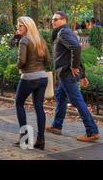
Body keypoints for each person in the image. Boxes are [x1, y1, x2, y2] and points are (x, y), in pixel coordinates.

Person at [46, 11, 100, 141]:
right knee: (60, 96)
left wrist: (75, 67)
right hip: (66, 73)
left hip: (66, 73)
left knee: (77, 101)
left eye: (56, 19)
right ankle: (57, 126)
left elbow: (76, 48)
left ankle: (92, 131)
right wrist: (83, 75)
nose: (53, 21)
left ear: (64, 20)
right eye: (52, 19)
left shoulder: (63, 32)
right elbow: (75, 52)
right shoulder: (65, 32)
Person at [14, 16, 50, 150]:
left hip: (29, 77)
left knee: (18, 103)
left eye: (20, 26)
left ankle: (25, 138)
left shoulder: (24, 40)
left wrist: (18, 66)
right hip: (42, 77)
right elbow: (47, 59)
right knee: (39, 107)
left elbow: (22, 61)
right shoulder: (40, 40)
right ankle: (41, 140)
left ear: (27, 27)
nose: (18, 28)